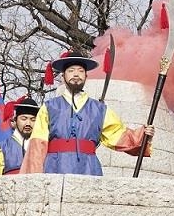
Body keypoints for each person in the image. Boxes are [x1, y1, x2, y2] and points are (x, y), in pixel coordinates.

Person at [20, 53, 153, 175]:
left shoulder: (99, 109)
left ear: (86, 76)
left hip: (89, 167)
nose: (76, 74)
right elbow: (37, 146)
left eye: (81, 71)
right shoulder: (49, 107)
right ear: (63, 76)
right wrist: (33, 178)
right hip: (55, 167)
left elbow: (118, 135)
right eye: (71, 71)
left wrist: (143, 135)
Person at [0, 58, 37, 177]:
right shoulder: (3, 147)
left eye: (33, 119)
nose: (28, 123)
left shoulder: (41, 145)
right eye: (24, 118)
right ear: (14, 120)